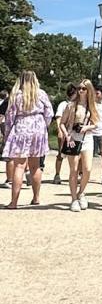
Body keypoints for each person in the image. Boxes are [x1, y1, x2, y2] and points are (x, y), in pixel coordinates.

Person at [2, 71, 53, 208]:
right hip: (38, 128)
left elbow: (10, 116)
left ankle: (14, 202)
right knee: (35, 166)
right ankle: (36, 198)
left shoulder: (17, 95)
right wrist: (44, 126)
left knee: (19, 166)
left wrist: (7, 134)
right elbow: (49, 113)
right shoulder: (41, 93)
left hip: (21, 127)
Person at [60, 78, 99, 211]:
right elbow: (62, 123)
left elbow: (96, 123)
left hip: (87, 138)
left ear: (89, 90)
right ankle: (73, 199)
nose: (81, 91)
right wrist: (67, 135)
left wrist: (87, 127)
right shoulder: (71, 105)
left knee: (87, 169)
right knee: (74, 170)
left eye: (83, 88)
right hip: (73, 138)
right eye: (79, 88)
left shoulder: (92, 105)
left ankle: (81, 192)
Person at [51, 86, 76, 183]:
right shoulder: (63, 104)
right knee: (61, 154)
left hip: (75, 133)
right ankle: (57, 175)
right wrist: (60, 131)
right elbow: (58, 118)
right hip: (65, 130)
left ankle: (77, 174)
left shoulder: (79, 104)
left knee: (77, 155)